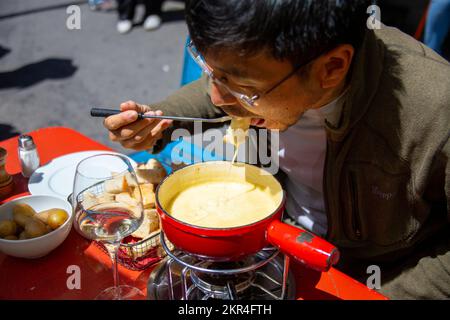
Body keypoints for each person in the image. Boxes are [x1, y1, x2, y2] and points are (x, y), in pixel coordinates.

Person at [103, 0, 450, 299]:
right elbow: (225, 81)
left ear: (331, 68)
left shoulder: (436, 112)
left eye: (245, 88)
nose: (218, 98)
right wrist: (160, 121)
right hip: (274, 250)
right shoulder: (266, 69)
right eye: (212, 71)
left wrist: (376, 292)